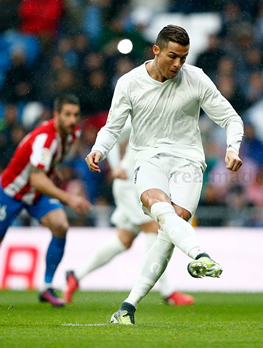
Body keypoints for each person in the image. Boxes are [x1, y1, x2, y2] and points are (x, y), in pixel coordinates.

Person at [85, 25, 244, 325]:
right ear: (156, 50)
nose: (177, 64)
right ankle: (200, 255)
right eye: (172, 56)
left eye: (183, 58)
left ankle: (127, 307)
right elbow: (112, 126)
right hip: (148, 159)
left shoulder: (195, 79)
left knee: (169, 232)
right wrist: (99, 150)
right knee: (162, 212)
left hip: (188, 162)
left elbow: (230, 118)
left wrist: (232, 148)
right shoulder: (130, 83)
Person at [65, 119, 194, 306]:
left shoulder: (171, 120)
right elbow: (114, 133)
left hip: (144, 185)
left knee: (123, 240)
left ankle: (75, 276)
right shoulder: (143, 112)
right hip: (129, 184)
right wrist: (116, 164)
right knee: (155, 227)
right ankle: (167, 292)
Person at [0, 94, 92, 306]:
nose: (72, 120)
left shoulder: (72, 133)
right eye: (67, 115)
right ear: (56, 115)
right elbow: (36, 178)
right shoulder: (45, 139)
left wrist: (54, 169)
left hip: (36, 194)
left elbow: (46, 168)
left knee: (60, 225)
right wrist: (69, 198)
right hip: (12, 191)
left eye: (76, 115)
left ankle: (47, 287)